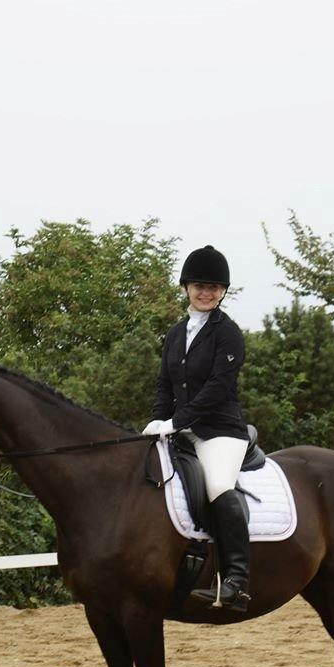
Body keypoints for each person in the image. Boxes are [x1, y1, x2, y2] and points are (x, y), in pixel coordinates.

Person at [143, 244, 251, 611]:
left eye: (214, 288)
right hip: (179, 428)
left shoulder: (228, 333)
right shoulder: (175, 334)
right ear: (186, 287)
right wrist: (156, 421)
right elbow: (164, 384)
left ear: (222, 292)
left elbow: (217, 388)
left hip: (221, 430)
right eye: (200, 286)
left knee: (218, 484)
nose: (206, 293)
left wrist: (176, 421)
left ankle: (237, 579)